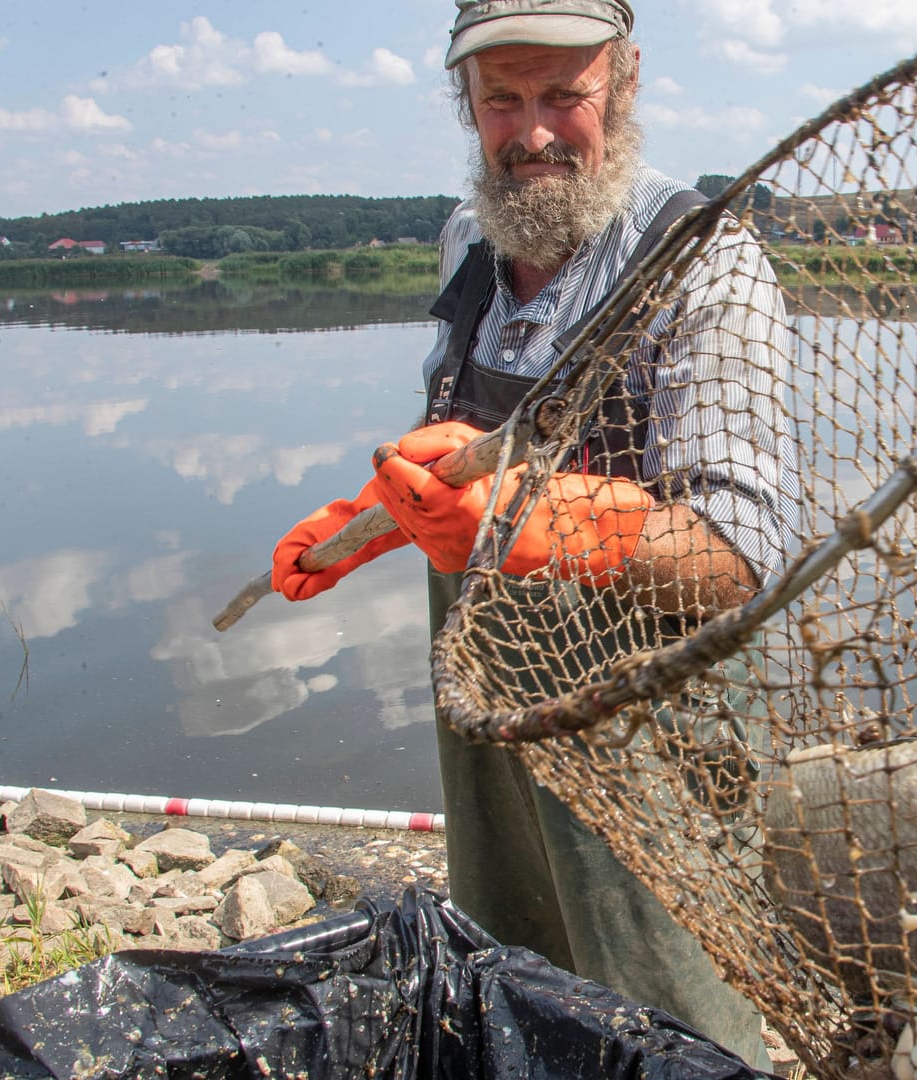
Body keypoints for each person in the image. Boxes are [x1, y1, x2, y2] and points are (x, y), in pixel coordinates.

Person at [269, 0, 797, 1069]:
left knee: (668, 1013)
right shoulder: (472, 235)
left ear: (628, 81)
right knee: (512, 968)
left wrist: (535, 520)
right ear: (463, 98)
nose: (534, 132)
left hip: (649, 732)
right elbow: (452, 436)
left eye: (566, 93)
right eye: (502, 97)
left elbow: (740, 559)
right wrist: (377, 515)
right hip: (488, 694)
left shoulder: (704, 261)